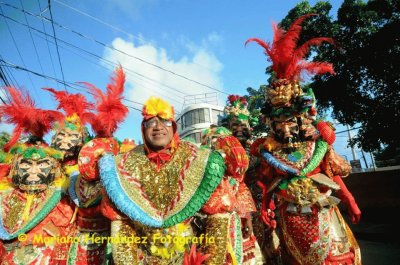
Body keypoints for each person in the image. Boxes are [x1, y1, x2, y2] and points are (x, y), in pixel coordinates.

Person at [76, 96, 249, 264]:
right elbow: (121, 227)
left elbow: (216, 220)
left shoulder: (201, 160)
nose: (158, 127)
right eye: (151, 122)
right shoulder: (122, 165)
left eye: (165, 121)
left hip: (189, 256)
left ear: (173, 127)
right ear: (143, 130)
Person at [246, 14, 361, 264]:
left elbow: (334, 174)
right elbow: (267, 184)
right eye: (279, 122)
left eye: (290, 119)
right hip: (289, 223)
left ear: (300, 118)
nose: (285, 128)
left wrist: (350, 200)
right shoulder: (270, 152)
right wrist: (265, 206)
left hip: (322, 217)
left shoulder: (316, 144)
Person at [0, 87, 75, 264]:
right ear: (15, 166)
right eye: (27, 164)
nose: (33, 171)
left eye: (41, 165)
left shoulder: (61, 200)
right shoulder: (5, 198)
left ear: (53, 167)